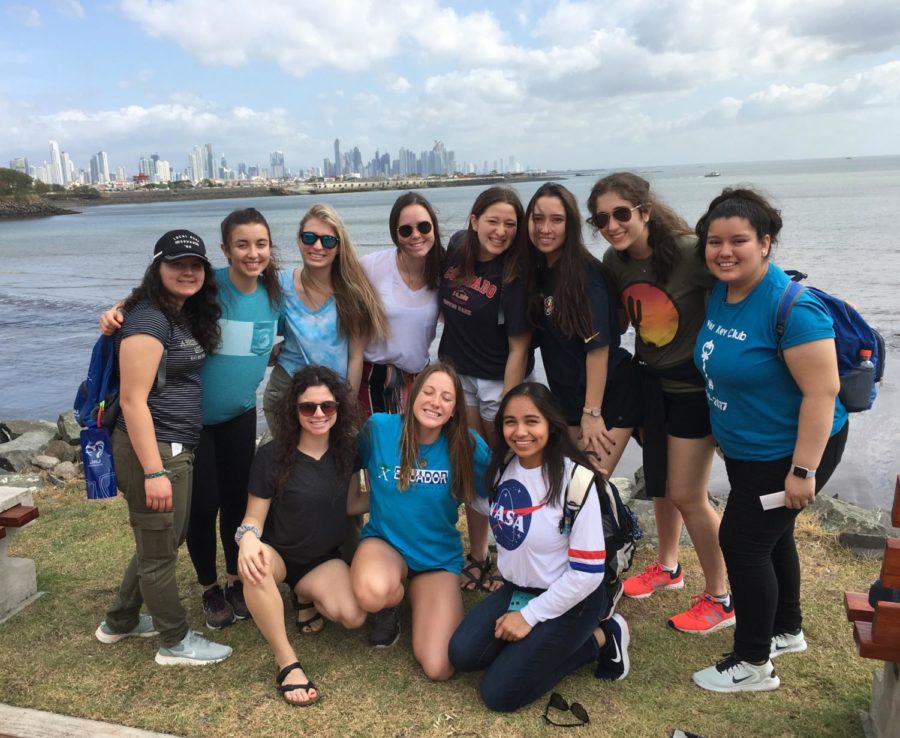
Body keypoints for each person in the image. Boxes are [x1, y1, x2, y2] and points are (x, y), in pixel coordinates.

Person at [691, 188, 848, 692]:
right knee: (771, 537)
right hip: (747, 447)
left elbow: (823, 394)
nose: (724, 251)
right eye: (715, 242)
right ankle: (787, 629)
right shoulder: (723, 290)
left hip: (788, 450)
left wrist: (803, 470)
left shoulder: (794, 309)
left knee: (741, 543)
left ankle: (754, 662)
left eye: (739, 240)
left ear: (766, 242)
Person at [99, 208, 284, 629]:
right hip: (193, 424)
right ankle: (209, 588)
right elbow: (153, 298)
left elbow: (309, 318)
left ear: (271, 249)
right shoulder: (208, 280)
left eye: (261, 244)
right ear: (225, 250)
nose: (252, 253)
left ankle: (237, 579)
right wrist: (116, 310)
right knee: (202, 508)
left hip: (240, 415)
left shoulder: (276, 294)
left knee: (238, 503)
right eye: (242, 244)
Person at [589, 172, 733, 635]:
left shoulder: (691, 252)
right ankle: (668, 567)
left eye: (621, 214)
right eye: (601, 218)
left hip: (693, 390)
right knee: (660, 484)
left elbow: (736, 296)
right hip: (652, 385)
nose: (612, 225)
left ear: (645, 212)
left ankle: (721, 596)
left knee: (689, 494)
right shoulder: (615, 262)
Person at [94, 230, 232, 666]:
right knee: (159, 551)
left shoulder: (176, 312)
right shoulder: (149, 319)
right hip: (154, 449)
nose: (187, 272)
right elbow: (134, 401)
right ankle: (174, 641)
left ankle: (119, 620)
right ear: (158, 268)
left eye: (195, 265)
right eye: (176, 264)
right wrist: (154, 470)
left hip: (173, 445)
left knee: (159, 541)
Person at [448, 382, 631, 712]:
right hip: (517, 590)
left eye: (531, 421)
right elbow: (486, 504)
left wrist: (529, 617)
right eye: (510, 422)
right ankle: (534, 646)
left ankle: (602, 637)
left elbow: (587, 575)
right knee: (462, 654)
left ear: (551, 423)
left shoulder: (577, 483)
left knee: (498, 694)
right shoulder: (504, 467)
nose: (520, 432)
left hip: (573, 599)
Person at [237, 365, 367, 706]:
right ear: (294, 410)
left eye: (328, 406)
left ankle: (303, 596)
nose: (319, 414)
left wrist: (399, 496)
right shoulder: (272, 455)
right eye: (308, 407)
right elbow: (254, 516)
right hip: (279, 552)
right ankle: (287, 661)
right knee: (256, 568)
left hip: (321, 559)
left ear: (339, 408)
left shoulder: (347, 452)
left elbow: (353, 503)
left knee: (353, 616)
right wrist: (248, 538)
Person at [350, 363, 490, 678]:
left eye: (446, 397)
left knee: (439, 667)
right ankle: (391, 603)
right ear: (413, 395)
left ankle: (420, 594)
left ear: (455, 409)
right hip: (385, 545)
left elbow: (500, 491)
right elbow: (346, 461)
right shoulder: (380, 429)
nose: (434, 402)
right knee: (373, 592)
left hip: (436, 560)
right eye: (428, 392)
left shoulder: (466, 446)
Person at [438, 186, 533, 594]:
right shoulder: (458, 248)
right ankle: (478, 554)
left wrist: (512, 408)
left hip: (498, 380)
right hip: (460, 377)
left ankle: (510, 558)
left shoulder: (514, 275)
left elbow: (520, 346)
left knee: (504, 468)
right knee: (474, 467)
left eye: (510, 224)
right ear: (473, 221)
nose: (500, 231)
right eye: (492, 221)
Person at [525, 182, 639, 472]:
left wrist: (591, 413)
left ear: (571, 225)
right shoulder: (542, 273)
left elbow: (598, 348)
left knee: (587, 488)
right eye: (538, 219)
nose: (545, 229)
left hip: (607, 396)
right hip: (568, 401)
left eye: (556, 220)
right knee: (575, 492)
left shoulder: (586, 276)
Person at [263, 203, 387, 430]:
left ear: (339, 247)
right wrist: (270, 351)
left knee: (332, 463)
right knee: (286, 462)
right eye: (309, 237)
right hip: (285, 391)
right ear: (299, 240)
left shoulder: (352, 293)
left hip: (331, 398)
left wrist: (347, 408)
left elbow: (355, 357)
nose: (317, 246)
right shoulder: (280, 284)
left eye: (328, 240)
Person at [357, 191, 444, 418]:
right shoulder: (371, 267)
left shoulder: (445, 272)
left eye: (424, 227)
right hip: (372, 379)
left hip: (417, 381)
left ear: (433, 227)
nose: (416, 235)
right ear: (395, 235)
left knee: (411, 448)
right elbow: (337, 308)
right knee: (379, 448)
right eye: (406, 230)